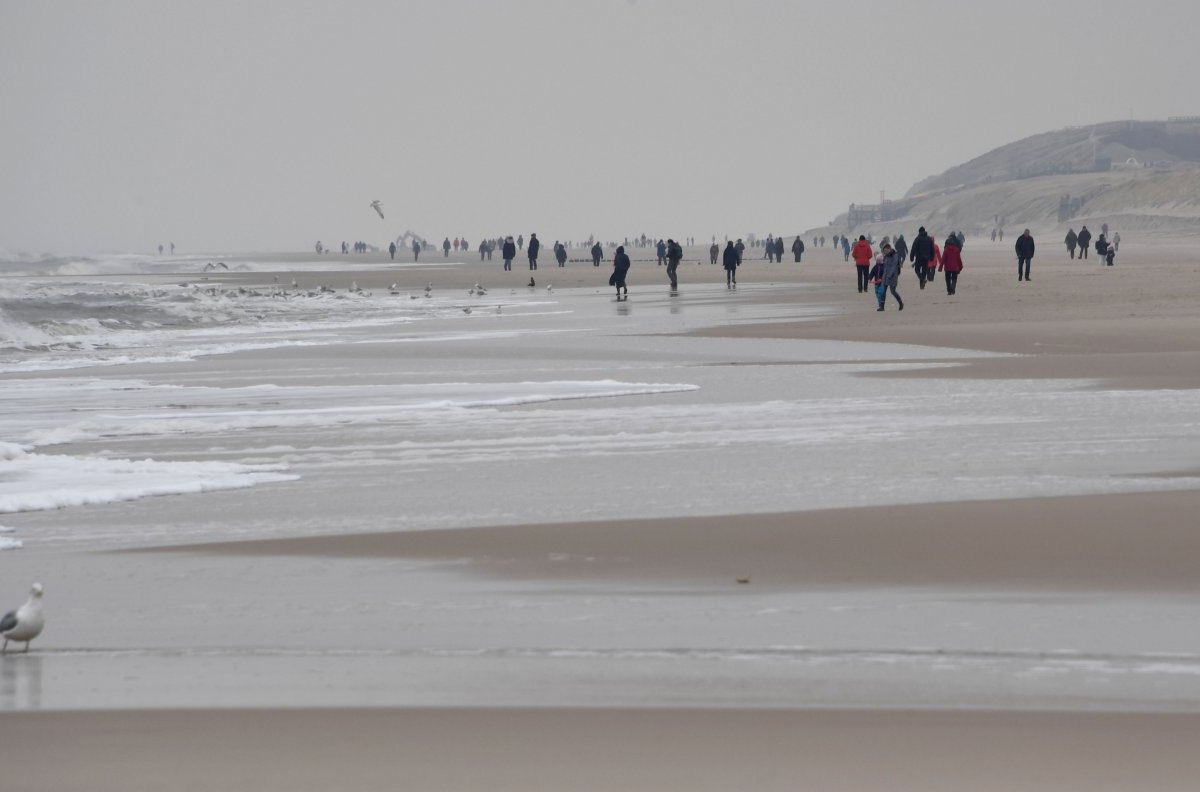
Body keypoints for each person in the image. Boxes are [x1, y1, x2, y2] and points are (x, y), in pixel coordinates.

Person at [867, 242, 904, 311]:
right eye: (884, 251)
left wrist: (889, 275)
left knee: (893, 291)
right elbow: (882, 266)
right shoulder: (885, 256)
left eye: (886, 250)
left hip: (893, 277)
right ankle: (882, 307)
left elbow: (893, 266)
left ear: (889, 249)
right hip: (885, 276)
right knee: (883, 291)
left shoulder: (895, 255)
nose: (885, 252)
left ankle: (900, 303)